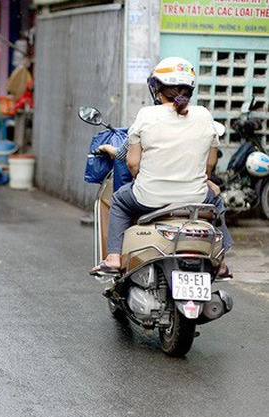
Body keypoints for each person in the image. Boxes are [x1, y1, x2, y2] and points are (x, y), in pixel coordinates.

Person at [91, 57, 233, 279]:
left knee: (118, 200)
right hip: (193, 197)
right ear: (190, 89)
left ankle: (113, 258)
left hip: (149, 197)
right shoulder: (205, 116)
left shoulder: (146, 115)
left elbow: (132, 162)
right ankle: (222, 262)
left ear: (156, 88)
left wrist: (144, 177)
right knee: (214, 197)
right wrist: (201, 179)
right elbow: (210, 163)